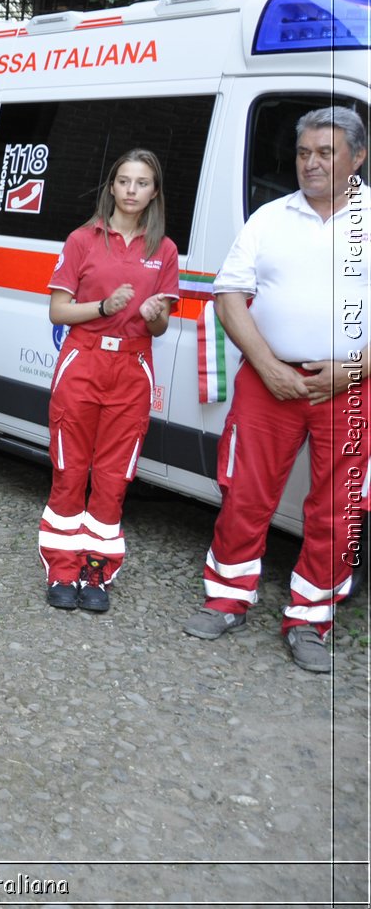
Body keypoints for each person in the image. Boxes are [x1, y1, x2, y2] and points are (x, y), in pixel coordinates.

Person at [183, 106, 369, 673]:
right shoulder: (269, 216)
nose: (310, 163)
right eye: (303, 152)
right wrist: (266, 365)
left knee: (339, 510)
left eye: (325, 152)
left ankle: (310, 619)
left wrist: (353, 369)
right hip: (269, 382)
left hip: (351, 387)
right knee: (245, 494)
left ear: (357, 158)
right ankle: (227, 599)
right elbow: (230, 295)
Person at [39, 150, 180, 613]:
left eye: (142, 183)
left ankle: (96, 571)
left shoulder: (164, 250)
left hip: (132, 367)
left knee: (114, 477)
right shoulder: (82, 238)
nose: (131, 190)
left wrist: (154, 316)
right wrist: (104, 307)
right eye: (124, 181)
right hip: (83, 359)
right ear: (112, 187)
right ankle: (61, 569)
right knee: (70, 468)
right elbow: (59, 311)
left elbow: (159, 327)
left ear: (154, 191)